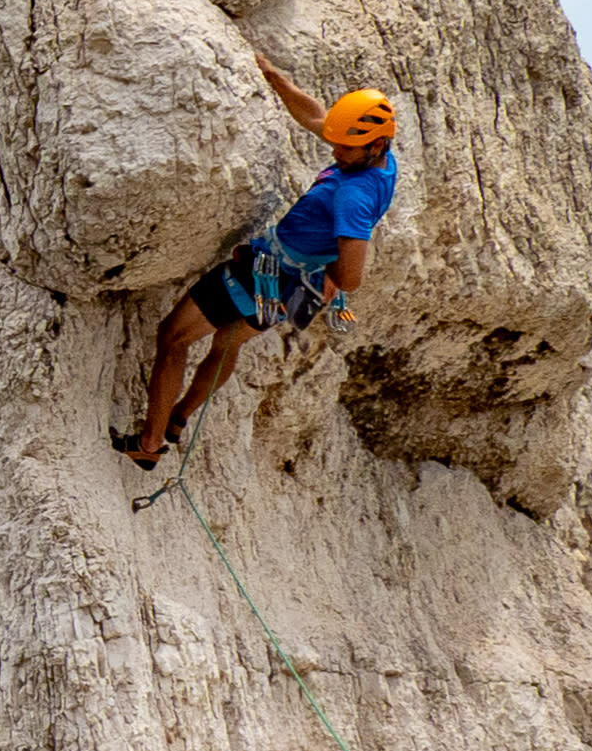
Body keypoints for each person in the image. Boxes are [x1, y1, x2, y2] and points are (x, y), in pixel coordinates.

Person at [116, 52, 399, 470]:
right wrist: (274, 77)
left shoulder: (353, 195)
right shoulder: (378, 161)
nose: (334, 148)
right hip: (287, 291)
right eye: (337, 142)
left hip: (262, 276)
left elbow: (351, 276)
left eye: (345, 146)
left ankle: (150, 443)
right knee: (228, 341)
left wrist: (323, 274)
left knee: (173, 338)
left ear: (374, 144)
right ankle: (176, 420)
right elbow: (317, 119)